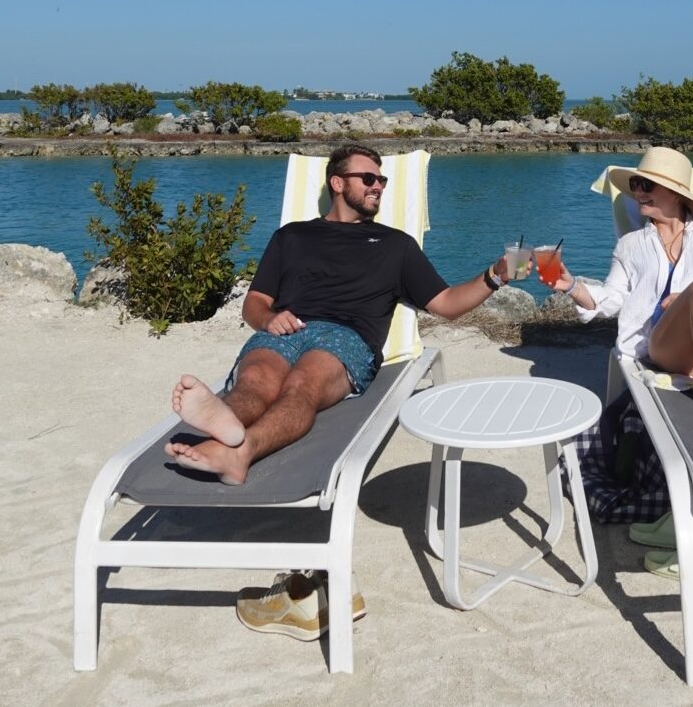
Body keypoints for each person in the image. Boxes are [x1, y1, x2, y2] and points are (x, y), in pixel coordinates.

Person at [164, 144, 521, 484]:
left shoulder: (396, 245)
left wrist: (496, 275)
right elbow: (254, 301)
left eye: (382, 181)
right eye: (368, 179)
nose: (378, 187)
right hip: (286, 327)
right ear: (337, 183)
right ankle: (225, 422)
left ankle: (240, 453)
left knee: (302, 385)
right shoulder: (291, 236)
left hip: (346, 336)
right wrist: (268, 318)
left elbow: (446, 303)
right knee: (255, 378)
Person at [541, 146, 693, 438]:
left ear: (675, 193)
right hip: (671, 342)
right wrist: (572, 287)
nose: (638, 191)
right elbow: (612, 298)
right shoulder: (630, 245)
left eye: (647, 184)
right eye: (635, 184)